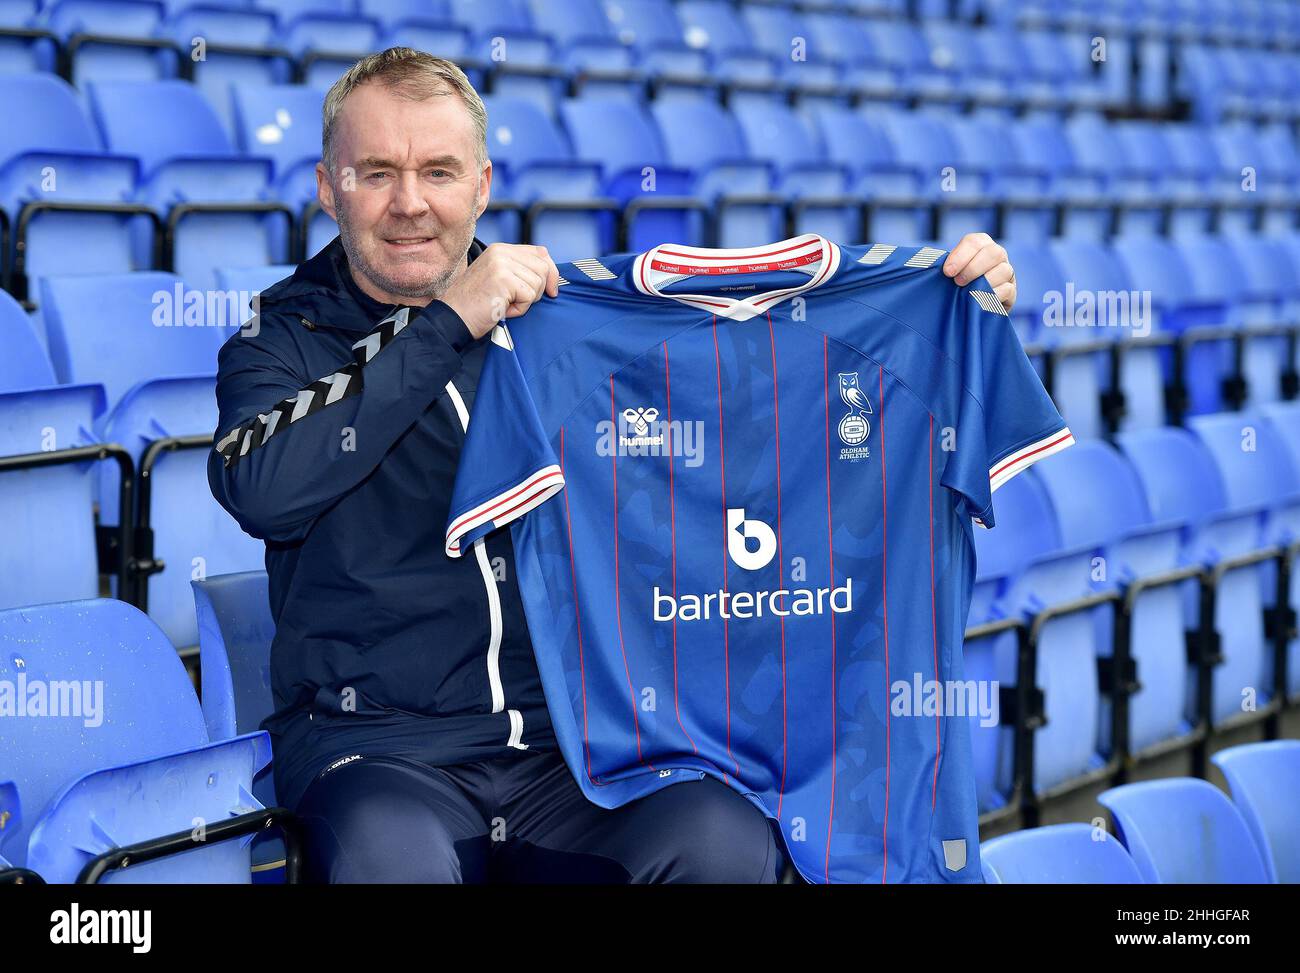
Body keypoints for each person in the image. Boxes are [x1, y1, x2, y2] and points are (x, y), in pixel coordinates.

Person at [209, 47, 1022, 883]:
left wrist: (948, 311)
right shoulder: (279, 338)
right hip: (376, 753)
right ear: (325, 185)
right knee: (392, 866)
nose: (410, 202)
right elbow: (260, 484)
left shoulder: (556, 326)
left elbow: (751, 414)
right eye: (376, 172)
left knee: (721, 839)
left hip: (574, 751)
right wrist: (445, 323)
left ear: (481, 185)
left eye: (439, 172)